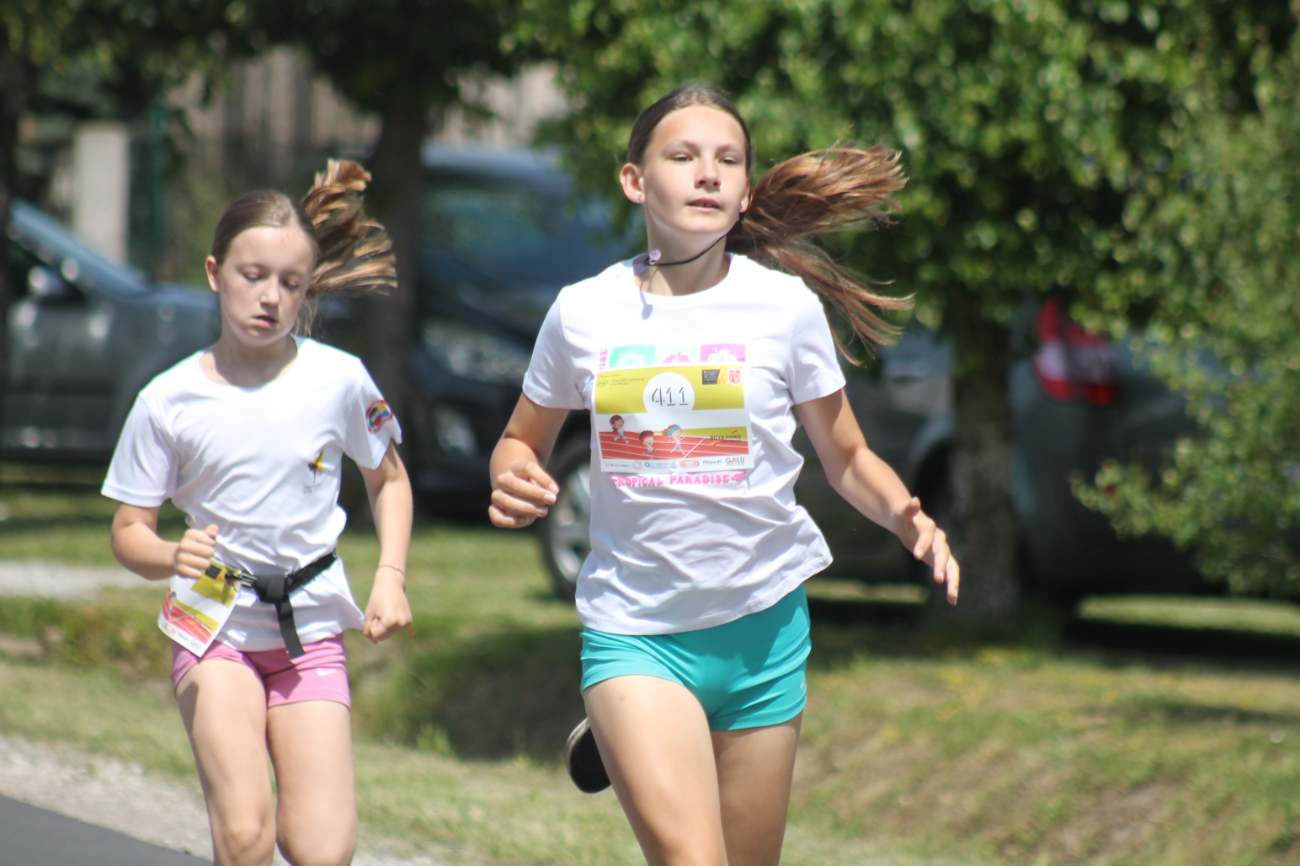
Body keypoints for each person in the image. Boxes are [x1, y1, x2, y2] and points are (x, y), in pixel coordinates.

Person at [488, 85, 960, 866]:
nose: (707, 173)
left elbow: (846, 456)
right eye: (683, 156)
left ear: (744, 191)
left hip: (763, 632)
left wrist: (905, 515)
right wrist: (514, 476)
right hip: (637, 632)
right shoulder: (584, 312)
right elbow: (519, 441)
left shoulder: (784, 309)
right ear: (635, 180)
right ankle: (623, 720)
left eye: (728, 160)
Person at [103, 161, 413, 866]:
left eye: (290, 283)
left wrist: (390, 576)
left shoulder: (338, 379)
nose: (271, 297)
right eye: (253, 275)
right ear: (215, 273)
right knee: (245, 834)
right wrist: (168, 555)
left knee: (322, 849)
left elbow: (389, 480)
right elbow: (127, 531)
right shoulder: (167, 400)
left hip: (310, 624)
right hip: (215, 619)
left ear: (307, 287)